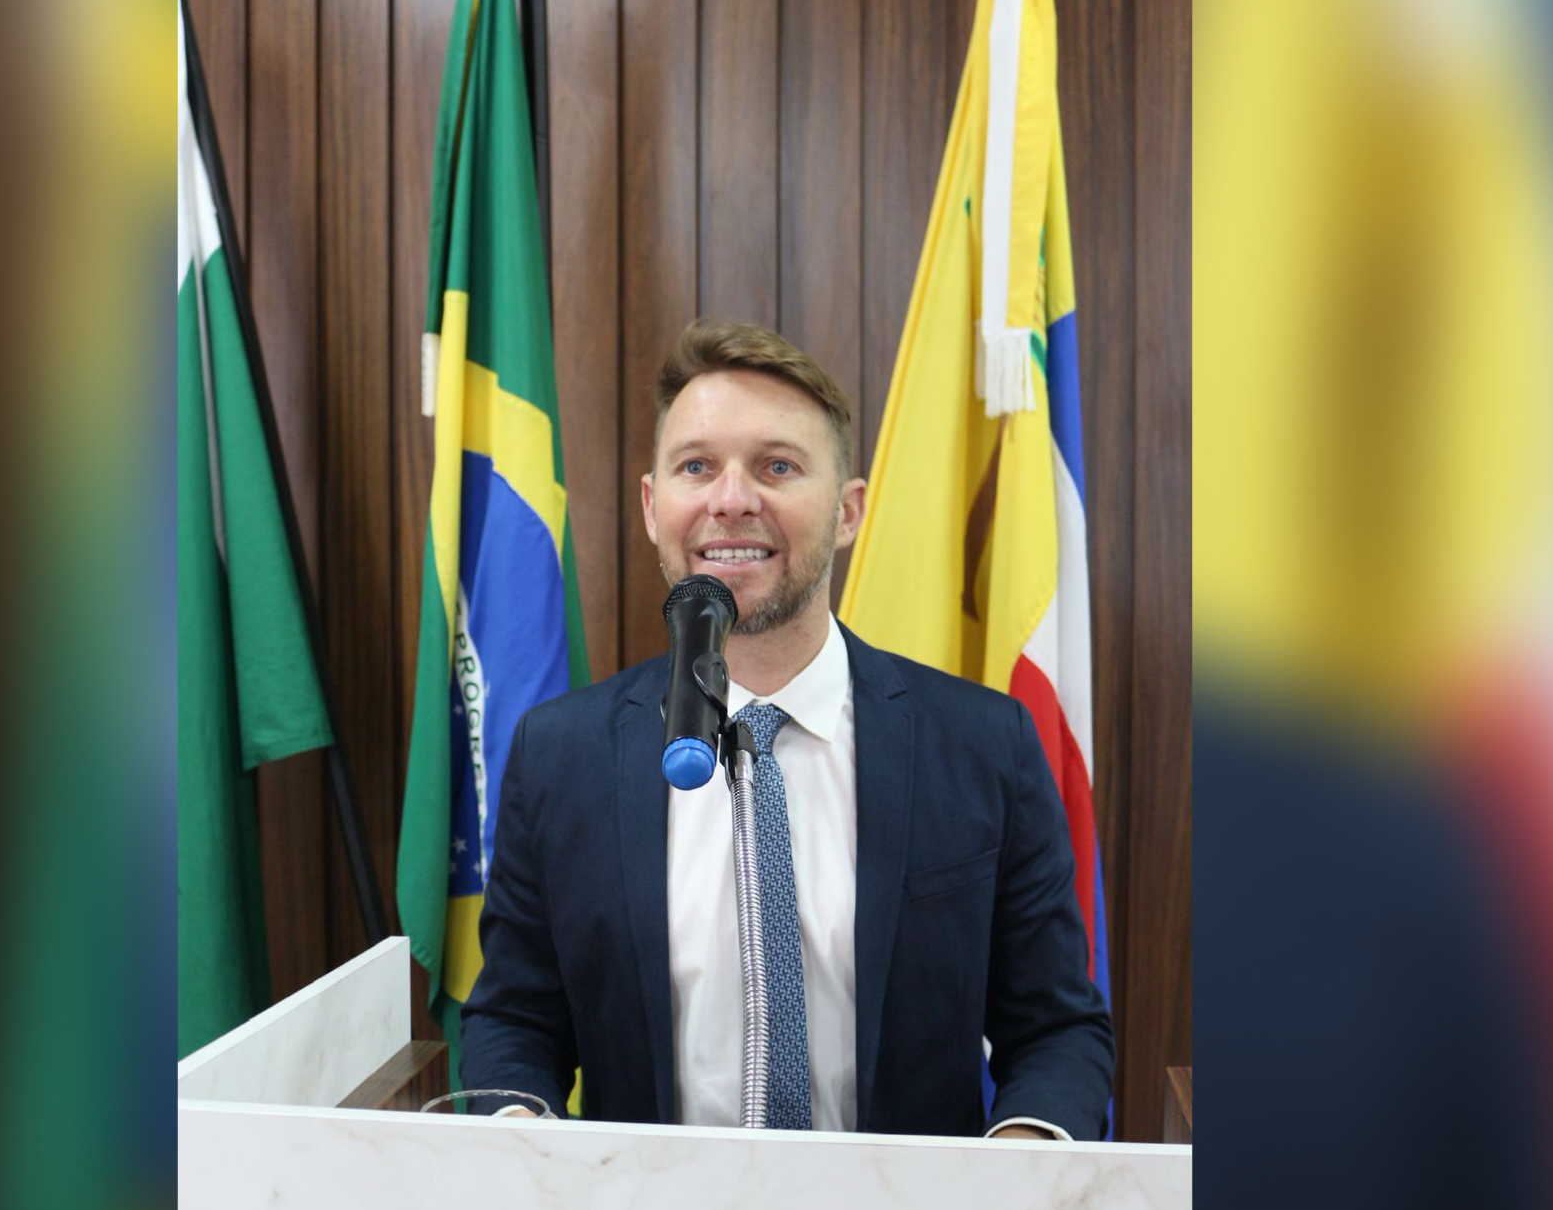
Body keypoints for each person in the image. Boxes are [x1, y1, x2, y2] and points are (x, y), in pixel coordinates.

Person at [461, 319, 1114, 1139]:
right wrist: (519, 1133)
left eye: (777, 466)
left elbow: (1056, 1031)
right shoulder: (560, 757)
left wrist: (1017, 1159)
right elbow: (515, 1022)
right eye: (697, 467)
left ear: (848, 512)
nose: (731, 500)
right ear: (653, 506)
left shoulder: (985, 747)